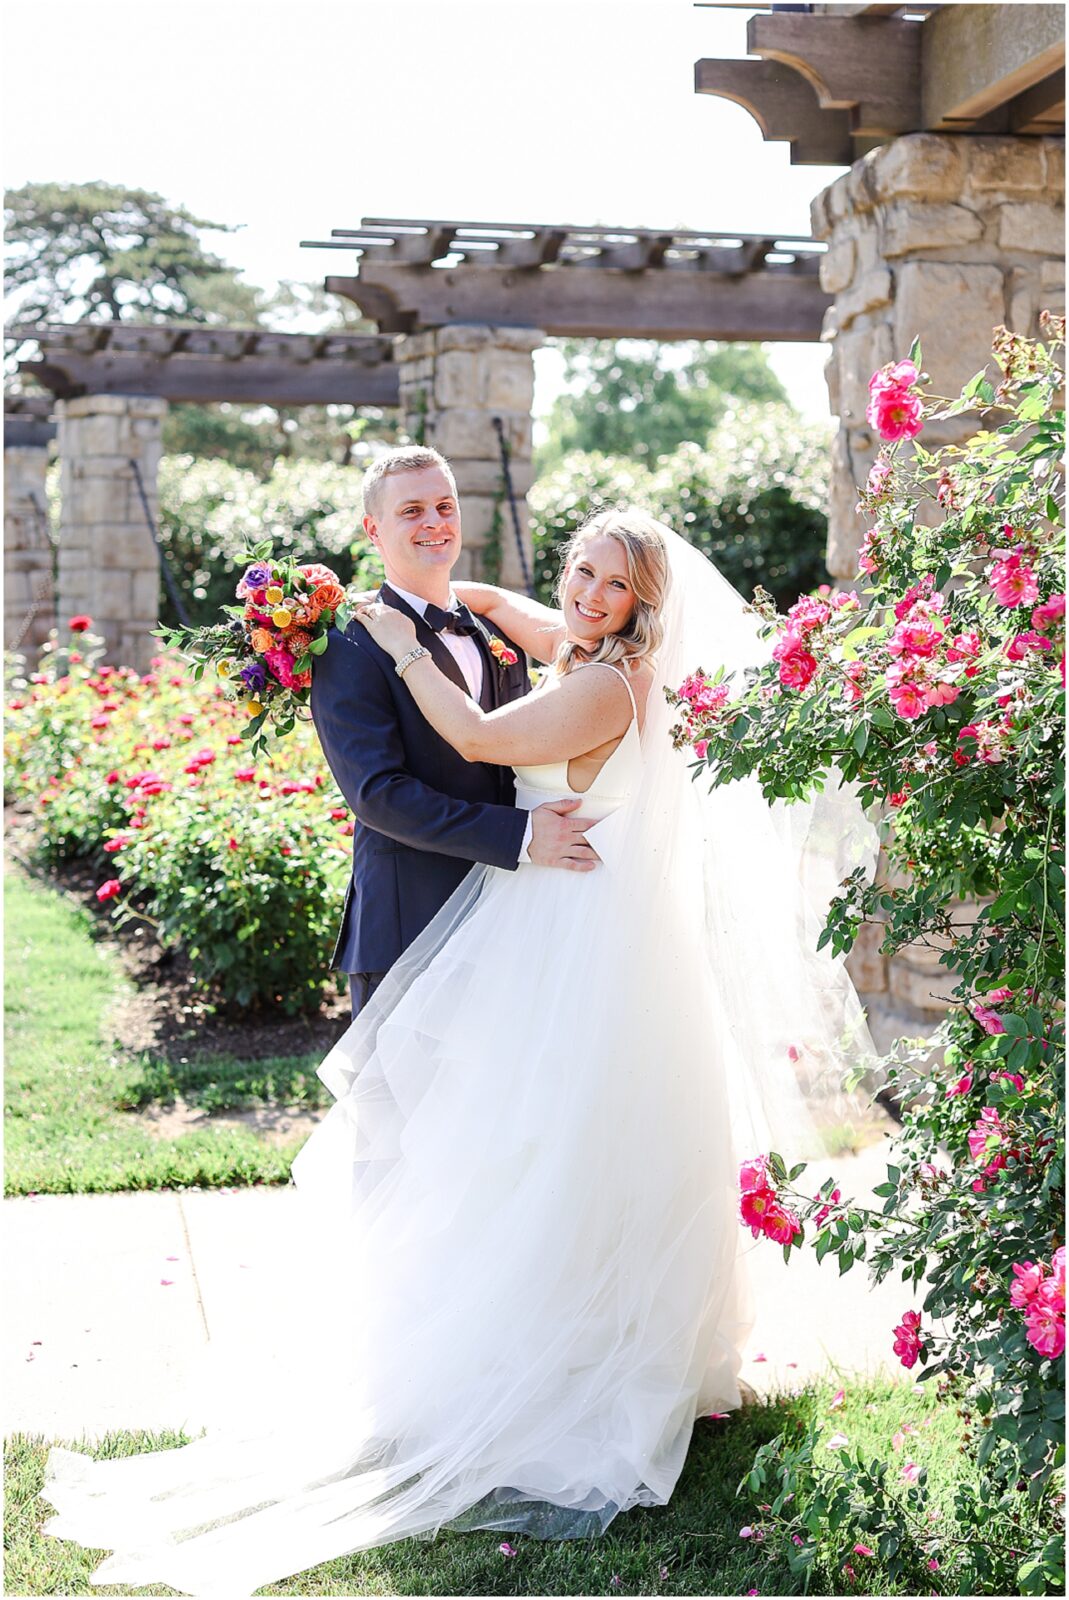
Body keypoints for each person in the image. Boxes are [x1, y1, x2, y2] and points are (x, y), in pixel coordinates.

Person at [41, 509, 878, 1596]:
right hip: (606, 921)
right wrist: (481, 601)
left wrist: (398, 648)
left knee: (534, 1144)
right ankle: (606, 1340)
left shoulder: (602, 686)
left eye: (609, 583)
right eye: (577, 567)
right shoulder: (609, 656)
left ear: (642, 606)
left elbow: (481, 742)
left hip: (575, 929)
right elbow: (541, 624)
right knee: (573, 1144)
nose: (583, 592)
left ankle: (547, 1365)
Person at [308, 444, 599, 1018]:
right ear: (374, 530)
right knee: (403, 1108)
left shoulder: (494, 625)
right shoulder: (348, 645)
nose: (435, 522)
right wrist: (519, 835)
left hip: (513, 911)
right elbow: (378, 795)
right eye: (411, 511)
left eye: (445, 506)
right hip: (410, 921)